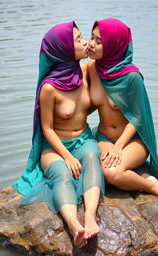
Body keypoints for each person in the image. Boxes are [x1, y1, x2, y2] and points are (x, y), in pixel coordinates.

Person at [12, 21, 105, 248]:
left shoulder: (86, 71)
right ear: (63, 49)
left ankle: (90, 217)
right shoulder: (50, 88)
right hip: (55, 146)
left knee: (93, 158)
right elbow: (47, 129)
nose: (84, 41)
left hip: (84, 139)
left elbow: (112, 67)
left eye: (82, 36)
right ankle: (74, 225)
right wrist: (67, 156)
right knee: (62, 174)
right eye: (77, 39)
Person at [87, 18, 158, 209]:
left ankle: (152, 187)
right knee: (96, 174)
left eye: (99, 41)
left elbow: (138, 117)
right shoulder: (92, 69)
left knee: (113, 174)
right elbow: (67, 83)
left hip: (133, 140)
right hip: (102, 137)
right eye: (91, 37)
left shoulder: (131, 77)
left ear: (113, 45)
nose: (91, 44)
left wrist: (119, 146)